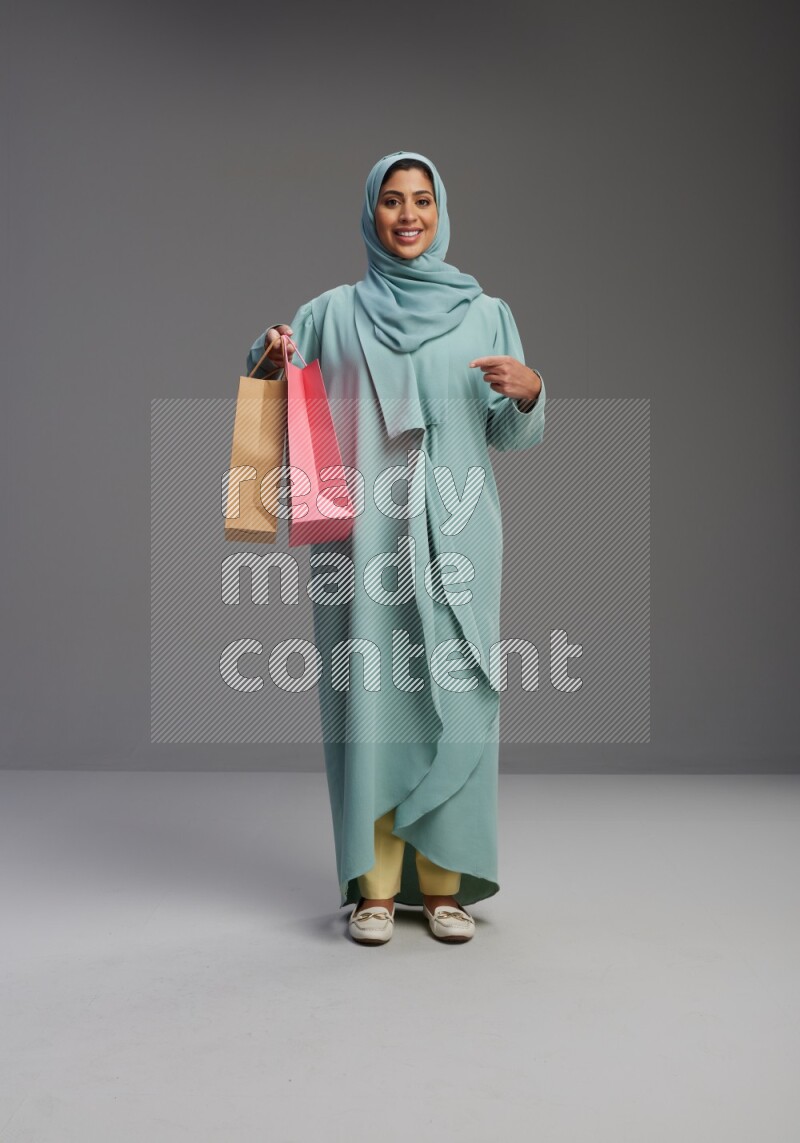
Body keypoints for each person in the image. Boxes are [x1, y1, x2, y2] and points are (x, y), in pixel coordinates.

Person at [246, 150, 546, 945]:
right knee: (370, 704)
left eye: (421, 200)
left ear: (440, 212)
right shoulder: (330, 313)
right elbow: (271, 381)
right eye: (391, 201)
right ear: (370, 214)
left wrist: (531, 392)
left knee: (457, 694)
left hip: (461, 532)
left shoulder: (489, 314)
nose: (408, 215)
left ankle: (445, 883)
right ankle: (374, 887)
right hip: (362, 539)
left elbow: (512, 435)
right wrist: (270, 358)